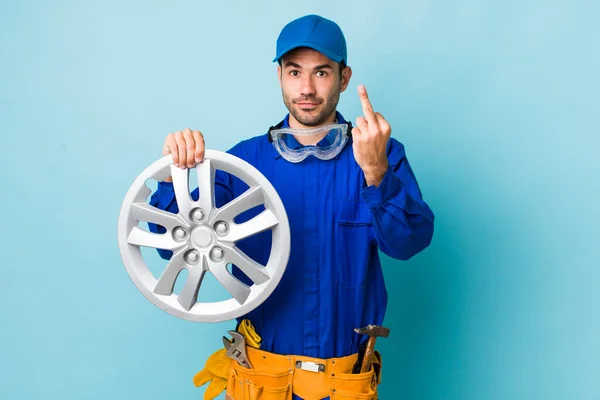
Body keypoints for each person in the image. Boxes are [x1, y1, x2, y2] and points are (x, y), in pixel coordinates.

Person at [148, 14, 434, 400]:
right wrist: (174, 176)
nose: (307, 88)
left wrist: (377, 173)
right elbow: (173, 242)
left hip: (344, 385)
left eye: (322, 73)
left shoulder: (378, 154)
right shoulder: (243, 164)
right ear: (280, 76)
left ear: (343, 78)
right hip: (261, 383)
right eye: (295, 72)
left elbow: (410, 243)